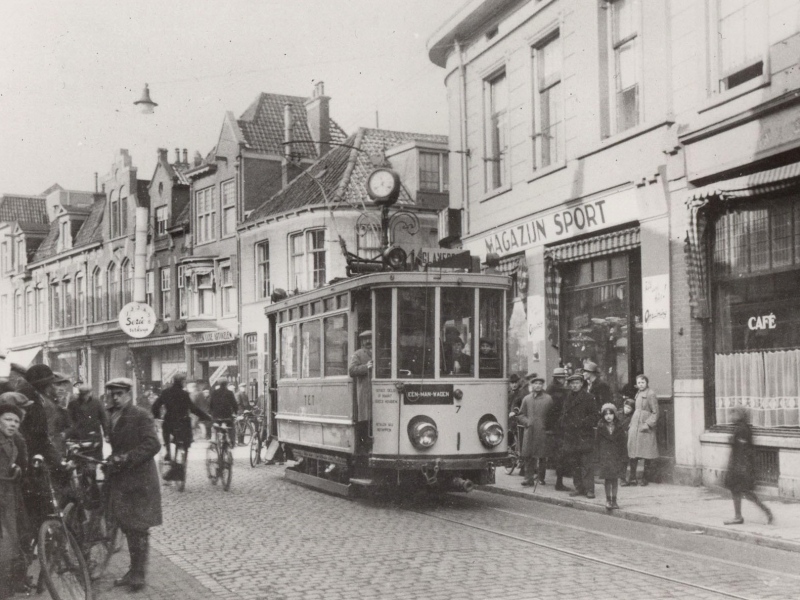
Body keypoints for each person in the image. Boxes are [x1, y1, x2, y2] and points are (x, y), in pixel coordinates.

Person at [105, 377, 162, 592]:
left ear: (129, 393)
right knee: (129, 527)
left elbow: (153, 444)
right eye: (112, 394)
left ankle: (139, 574)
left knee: (139, 527)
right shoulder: (112, 415)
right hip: (122, 478)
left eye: (120, 394)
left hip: (140, 479)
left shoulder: (140, 415)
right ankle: (133, 570)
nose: (116, 398)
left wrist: (127, 458)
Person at [723, 406, 773, 526]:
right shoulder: (741, 428)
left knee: (743, 492)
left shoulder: (742, 429)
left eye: (734, 414)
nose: (731, 417)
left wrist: (737, 468)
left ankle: (743, 516)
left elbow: (743, 450)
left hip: (741, 466)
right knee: (741, 491)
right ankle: (743, 515)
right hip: (740, 465)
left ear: (740, 416)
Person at [0, 402, 29, 599]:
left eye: (16, 421)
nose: (12, 424)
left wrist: (15, 468)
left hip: (7, 494)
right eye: (7, 419)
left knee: (9, 544)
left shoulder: (12, 440)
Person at [151, 373, 211, 465]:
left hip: (170, 421)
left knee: (165, 431)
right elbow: (193, 409)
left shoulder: (166, 392)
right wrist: (206, 417)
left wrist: (157, 416)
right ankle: (185, 450)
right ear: (182, 383)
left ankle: (168, 452)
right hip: (183, 422)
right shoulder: (184, 394)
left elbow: (155, 406)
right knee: (186, 437)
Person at [559, 373, 597, 498]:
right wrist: (564, 423)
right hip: (571, 436)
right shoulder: (568, 398)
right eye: (572, 383)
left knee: (587, 464)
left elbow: (594, 416)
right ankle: (579, 488)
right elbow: (564, 414)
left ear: (581, 384)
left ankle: (589, 489)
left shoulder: (589, 397)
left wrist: (580, 423)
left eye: (577, 383)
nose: (574, 385)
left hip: (584, 435)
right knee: (575, 464)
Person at [516, 376, 553, 487]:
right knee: (528, 455)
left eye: (540, 384)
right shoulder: (527, 399)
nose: (538, 385)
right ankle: (528, 478)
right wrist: (527, 422)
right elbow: (521, 414)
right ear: (532, 385)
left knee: (542, 456)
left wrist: (547, 427)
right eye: (535, 383)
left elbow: (552, 416)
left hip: (542, 431)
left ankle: (541, 478)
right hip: (530, 431)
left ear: (543, 386)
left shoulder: (548, 399)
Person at [626, 374, 659, 486]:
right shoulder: (638, 393)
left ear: (647, 383)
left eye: (643, 382)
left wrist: (648, 424)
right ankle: (632, 478)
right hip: (635, 424)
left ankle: (645, 478)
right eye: (639, 382)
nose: (641, 384)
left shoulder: (651, 394)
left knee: (646, 453)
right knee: (633, 452)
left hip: (644, 426)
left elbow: (655, 412)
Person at [66, 383, 110, 461]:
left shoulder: (97, 402)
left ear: (90, 393)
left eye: (86, 394)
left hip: (94, 436)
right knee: (79, 460)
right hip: (78, 437)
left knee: (93, 461)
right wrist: (71, 432)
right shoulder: (73, 403)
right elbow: (69, 420)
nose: (84, 397)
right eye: (82, 395)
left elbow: (103, 419)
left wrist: (107, 434)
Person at [595, 403, 626, 510]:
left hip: (616, 456)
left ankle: (614, 500)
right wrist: (598, 456)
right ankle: (608, 500)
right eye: (606, 414)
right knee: (608, 479)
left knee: (615, 479)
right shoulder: (601, 427)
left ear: (614, 415)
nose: (608, 416)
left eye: (611, 414)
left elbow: (623, 443)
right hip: (605, 457)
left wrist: (624, 457)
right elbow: (597, 443)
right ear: (603, 416)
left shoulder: (619, 427)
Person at [349, 330, 373, 451]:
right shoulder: (358, 354)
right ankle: (365, 446)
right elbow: (352, 370)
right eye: (365, 339)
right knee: (366, 419)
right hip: (365, 392)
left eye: (370, 338)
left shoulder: (381, 352)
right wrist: (366, 367)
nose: (368, 341)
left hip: (378, 393)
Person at [547, 367, 569, 490]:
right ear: (556, 378)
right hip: (557, 426)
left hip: (560, 425)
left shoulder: (557, 389)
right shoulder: (554, 391)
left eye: (563, 377)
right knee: (560, 454)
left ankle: (559, 481)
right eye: (560, 378)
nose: (562, 380)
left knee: (561, 454)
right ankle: (559, 482)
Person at [209, 378, 238, 446]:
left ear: (219, 384)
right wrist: (235, 412)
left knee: (216, 427)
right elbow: (234, 404)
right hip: (227, 417)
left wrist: (211, 413)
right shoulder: (230, 393)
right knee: (231, 428)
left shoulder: (214, 392)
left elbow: (210, 404)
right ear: (226, 384)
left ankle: (215, 440)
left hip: (216, 417)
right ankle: (232, 443)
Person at [618, 398, 635, 486]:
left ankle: (631, 478)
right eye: (626, 407)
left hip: (629, 438)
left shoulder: (633, 417)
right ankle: (622, 478)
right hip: (619, 439)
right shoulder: (618, 414)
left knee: (630, 458)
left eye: (629, 408)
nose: (626, 409)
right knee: (622, 459)